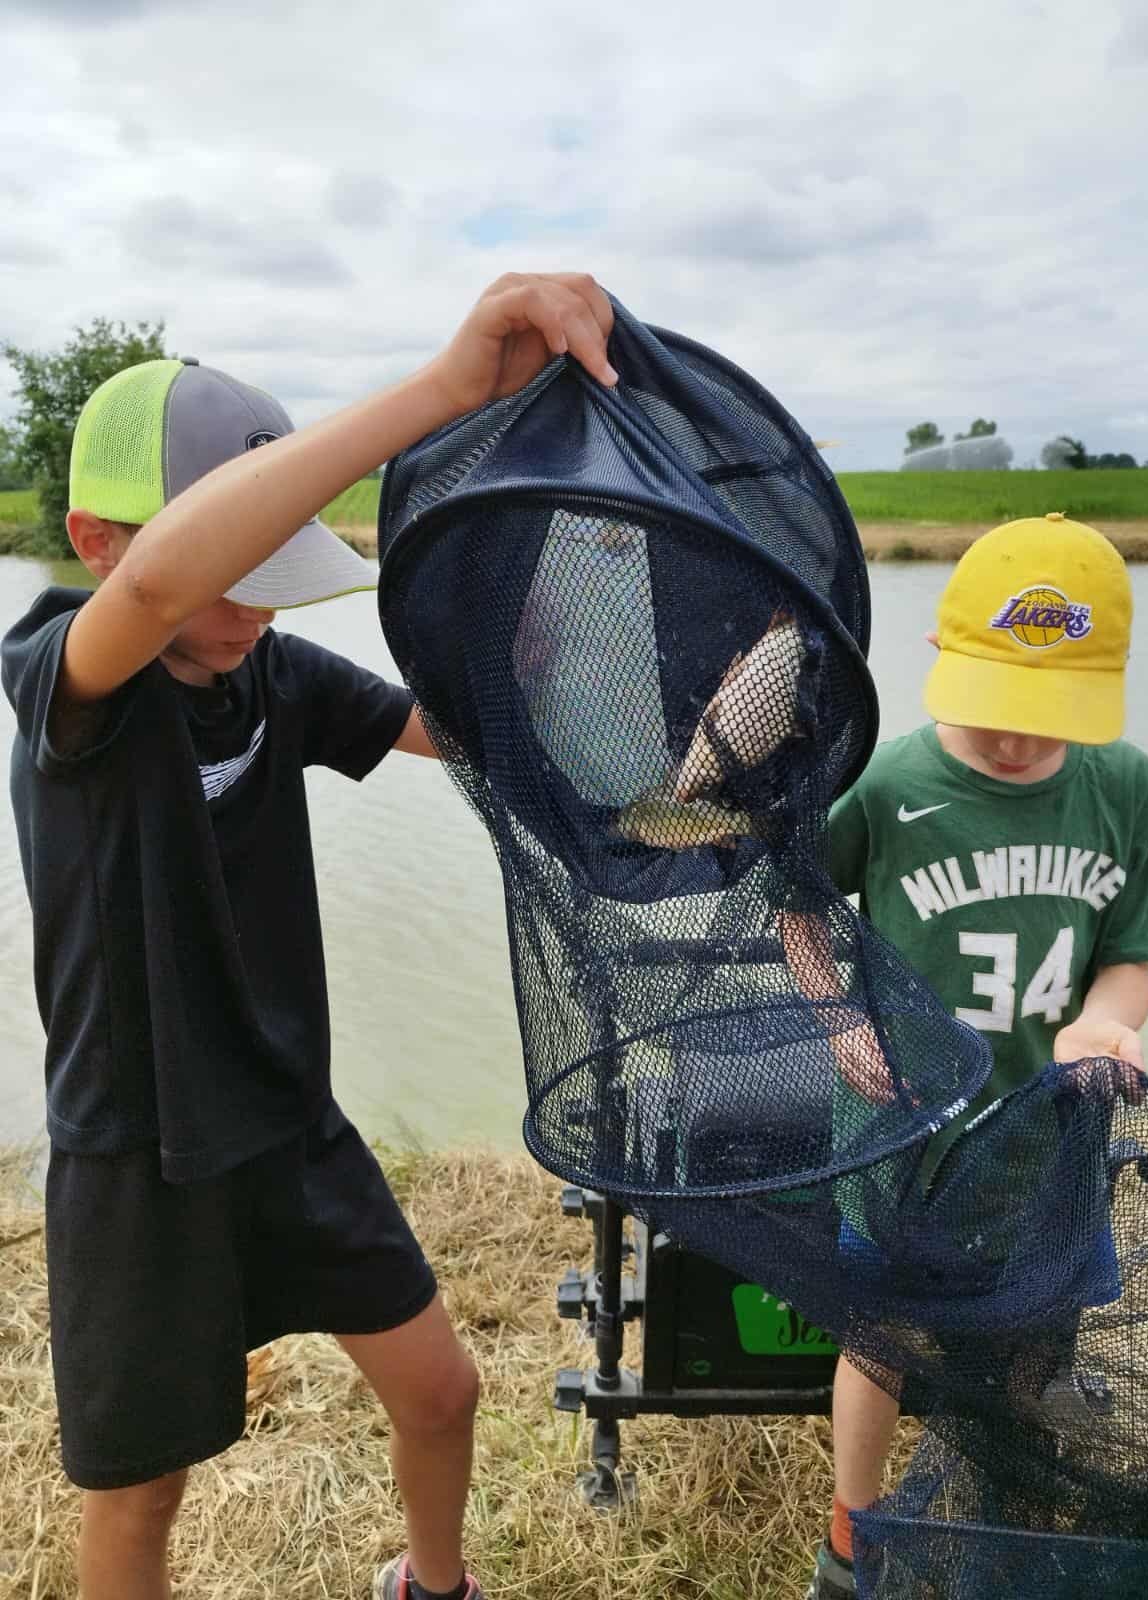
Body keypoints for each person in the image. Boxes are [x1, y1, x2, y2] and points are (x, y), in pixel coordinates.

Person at [2, 273, 616, 1600]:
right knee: (140, 1496)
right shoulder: (69, 687)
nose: (256, 610)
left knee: (443, 1393)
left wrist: (593, 711)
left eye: (279, 582)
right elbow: (171, 582)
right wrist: (442, 388)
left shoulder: (270, 674)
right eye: (240, 575)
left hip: (286, 1121)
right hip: (139, 1156)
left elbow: (455, 734)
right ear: (95, 541)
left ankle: (431, 1585)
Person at [805, 514, 1148, 1599]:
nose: (1020, 742)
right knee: (881, 1340)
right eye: (997, 710)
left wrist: (1105, 1022)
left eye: (1050, 713)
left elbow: (1132, 957)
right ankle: (854, 1525)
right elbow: (796, 906)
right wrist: (841, 1016)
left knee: (1039, 1339)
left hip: (1049, 1136)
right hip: (903, 1143)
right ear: (942, 657)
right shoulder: (885, 787)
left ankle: (1010, 1498)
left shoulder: (1122, 787)